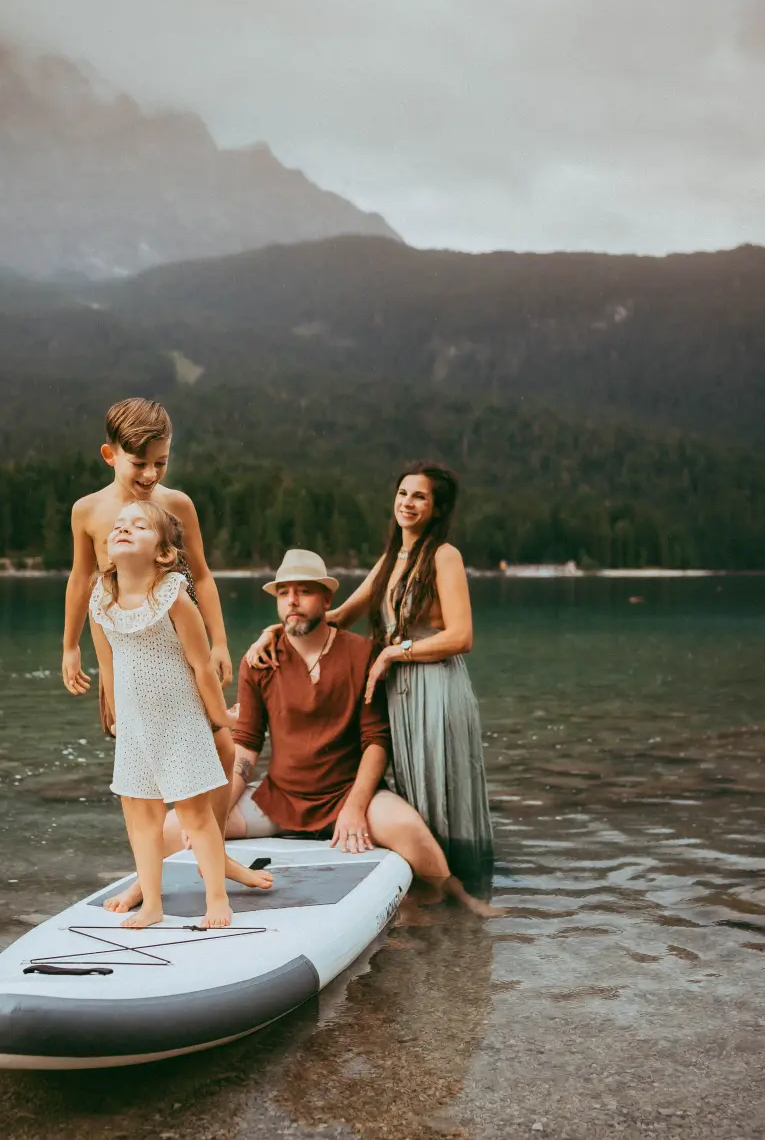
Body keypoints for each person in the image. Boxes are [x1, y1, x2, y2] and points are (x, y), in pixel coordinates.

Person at [171, 549, 500, 916]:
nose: (292, 601)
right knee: (177, 824)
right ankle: (159, 893)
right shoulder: (260, 661)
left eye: (304, 591)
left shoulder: (362, 654)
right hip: (281, 801)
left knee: (409, 830)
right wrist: (218, 811)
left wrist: (355, 808)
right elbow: (245, 746)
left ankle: (458, 899)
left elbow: (376, 742)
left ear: (327, 599)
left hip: (348, 794)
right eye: (284, 593)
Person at [61, 397, 272, 896]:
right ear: (109, 454)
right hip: (127, 654)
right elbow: (80, 580)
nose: (152, 473)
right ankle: (146, 880)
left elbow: (200, 574)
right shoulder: (89, 512)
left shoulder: (177, 506)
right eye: (140, 463)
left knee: (221, 750)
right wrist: (71, 648)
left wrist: (220, 642)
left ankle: (213, 857)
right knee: (140, 775)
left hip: (184, 640)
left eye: (162, 461)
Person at [246, 464, 494, 883]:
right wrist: (271, 632)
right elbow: (336, 616)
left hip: (435, 688)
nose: (407, 503)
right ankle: (420, 880)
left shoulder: (443, 556)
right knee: (416, 787)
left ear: (436, 509)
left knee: (443, 783)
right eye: (402, 493)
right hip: (398, 689)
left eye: (420, 497)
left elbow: (462, 636)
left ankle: (464, 883)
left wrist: (396, 651)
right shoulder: (391, 560)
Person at [84, 500, 238, 929]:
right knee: (141, 817)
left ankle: (217, 899)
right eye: (118, 525)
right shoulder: (100, 599)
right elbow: (108, 666)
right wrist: (115, 716)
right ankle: (152, 903)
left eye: (138, 525)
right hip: (135, 729)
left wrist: (220, 718)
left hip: (180, 723)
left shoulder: (173, 596)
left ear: (164, 553)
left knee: (195, 814)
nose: (123, 529)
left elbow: (202, 666)